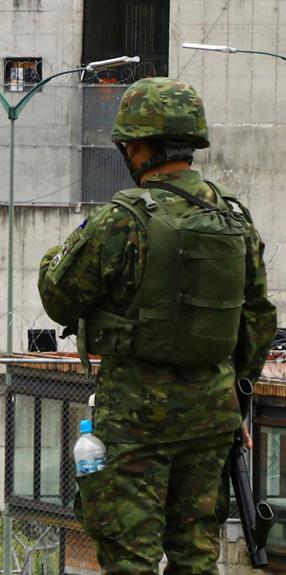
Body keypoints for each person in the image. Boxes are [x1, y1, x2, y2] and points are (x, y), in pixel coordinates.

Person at [38, 77, 276, 575]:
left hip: (135, 420)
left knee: (131, 558)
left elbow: (60, 297)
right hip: (212, 416)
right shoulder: (233, 215)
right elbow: (257, 317)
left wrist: (55, 256)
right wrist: (237, 396)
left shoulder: (123, 219)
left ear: (141, 146)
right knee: (196, 556)